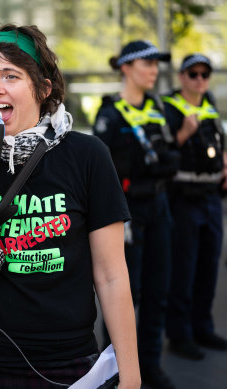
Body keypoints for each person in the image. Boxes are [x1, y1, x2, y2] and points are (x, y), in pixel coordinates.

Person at [0, 24, 140, 388]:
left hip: (60, 362)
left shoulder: (87, 156)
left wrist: (131, 375)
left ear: (43, 89)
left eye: (10, 76)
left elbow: (111, 277)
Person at [93, 40, 178, 389]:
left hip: (159, 207)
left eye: (157, 63)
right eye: (147, 63)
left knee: (159, 290)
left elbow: (170, 155)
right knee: (126, 291)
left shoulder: (157, 109)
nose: (154, 70)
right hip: (125, 216)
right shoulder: (109, 114)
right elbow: (100, 172)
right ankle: (111, 368)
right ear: (125, 67)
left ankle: (150, 364)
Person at [162, 54, 227, 361]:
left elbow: (219, 141)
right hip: (184, 199)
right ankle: (180, 334)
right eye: (193, 74)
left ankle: (203, 327)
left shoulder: (209, 103)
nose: (200, 79)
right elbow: (161, 151)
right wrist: (183, 134)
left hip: (212, 197)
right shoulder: (168, 107)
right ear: (182, 76)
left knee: (208, 266)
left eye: (205, 74)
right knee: (184, 269)